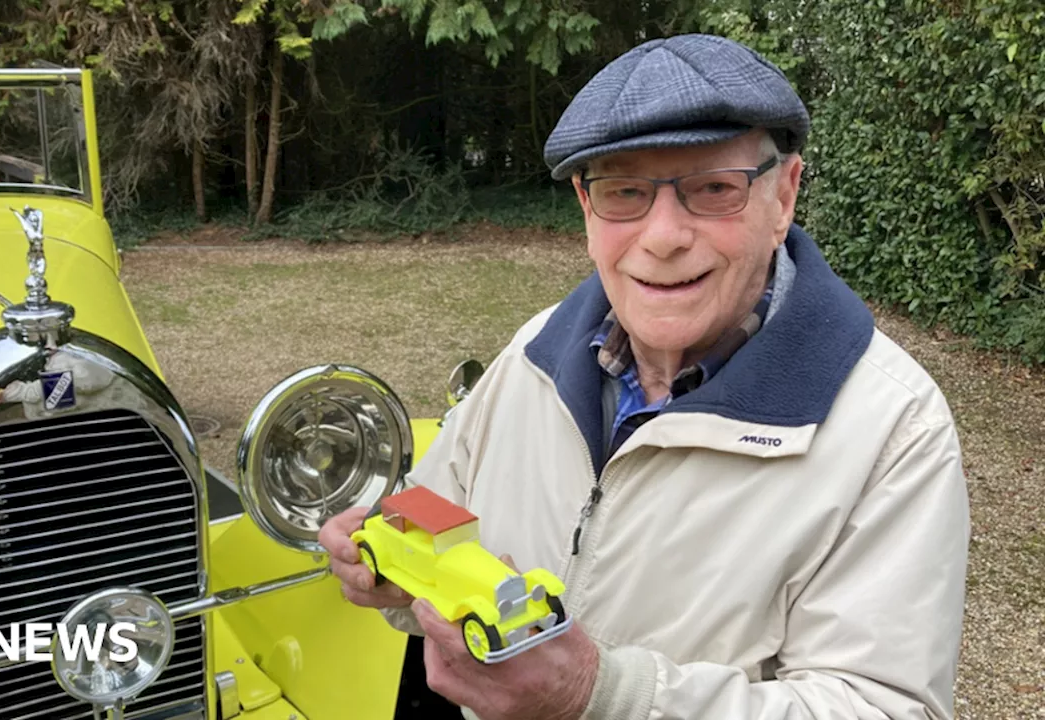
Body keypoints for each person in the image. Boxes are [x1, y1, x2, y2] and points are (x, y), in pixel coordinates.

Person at [318, 33, 969, 719]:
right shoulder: (534, 351)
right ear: (586, 208)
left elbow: (886, 708)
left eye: (713, 189)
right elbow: (435, 513)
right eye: (624, 191)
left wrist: (600, 695)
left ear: (783, 196)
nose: (661, 237)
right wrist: (387, 564)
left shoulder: (893, 428)